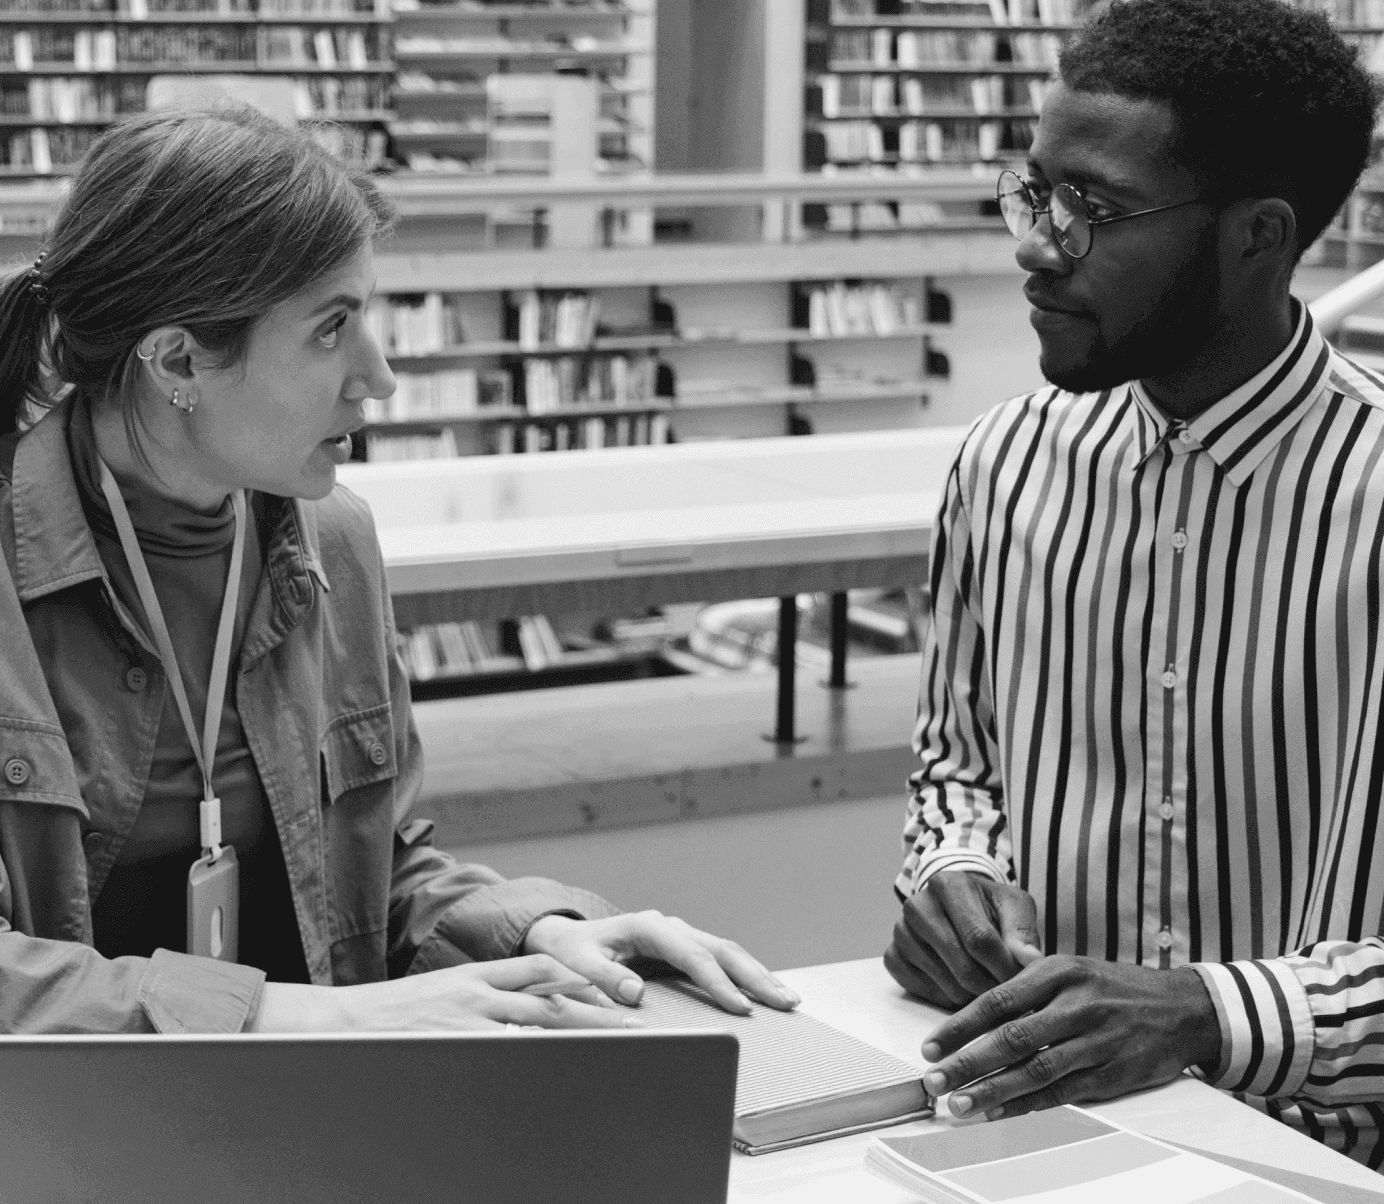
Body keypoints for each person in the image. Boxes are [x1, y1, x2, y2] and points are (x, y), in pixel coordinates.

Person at [0, 105, 799, 1035]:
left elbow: (377, 875)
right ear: (179, 357)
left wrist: (536, 929)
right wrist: (295, 1021)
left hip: (301, 1130)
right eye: (331, 330)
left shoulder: (332, 541)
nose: (379, 377)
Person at [884, 0, 1384, 1168]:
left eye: (1094, 211)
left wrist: (1210, 1011)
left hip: (1319, 1158)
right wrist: (950, 872)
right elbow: (955, 769)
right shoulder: (1003, 464)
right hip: (1036, 1135)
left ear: (1256, 236)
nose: (1035, 243)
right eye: (1034, 188)